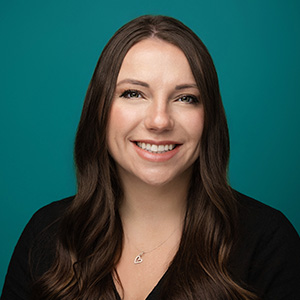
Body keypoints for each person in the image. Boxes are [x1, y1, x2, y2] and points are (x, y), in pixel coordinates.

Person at [1, 15, 300, 300]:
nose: (159, 121)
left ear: (209, 118)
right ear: (100, 111)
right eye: (133, 94)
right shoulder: (46, 233)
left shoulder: (268, 241)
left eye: (185, 98)